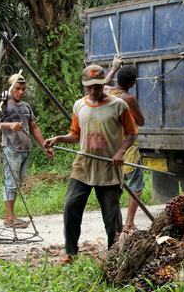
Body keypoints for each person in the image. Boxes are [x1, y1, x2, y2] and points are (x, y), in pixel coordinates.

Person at [44, 64, 138, 264]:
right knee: (71, 206)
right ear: (84, 86)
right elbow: (76, 135)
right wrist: (58, 138)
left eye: (97, 86)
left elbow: (132, 133)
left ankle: (115, 257)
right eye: (90, 87)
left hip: (109, 167)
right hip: (84, 165)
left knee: (112, 216)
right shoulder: (79, 105)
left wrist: (121, 152)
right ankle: (70, 253)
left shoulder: (118, 105)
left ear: (104, 82)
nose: (94, 91)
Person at [0, 74, 52, 229]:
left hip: (25, 149)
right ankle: (9, 218)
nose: (21, 92)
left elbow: (34, 127)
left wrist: (45, 146)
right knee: (11, 183)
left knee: (18, 184)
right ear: (10, 89)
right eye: (17, 89)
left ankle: (11, 216)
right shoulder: (1, 105)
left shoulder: (26, 106)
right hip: (11, 149)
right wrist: (8, 125)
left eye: (23, 89)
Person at [104, 55, 145, 232]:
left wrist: (113, 68)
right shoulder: (129, 98)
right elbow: (141, 122)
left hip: (110, 146)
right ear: (132, 84)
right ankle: (129, 223)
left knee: (115, 186)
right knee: (135, 186)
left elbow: (103, 83)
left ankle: (115, 224)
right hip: (127, 147)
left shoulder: (105, 92)